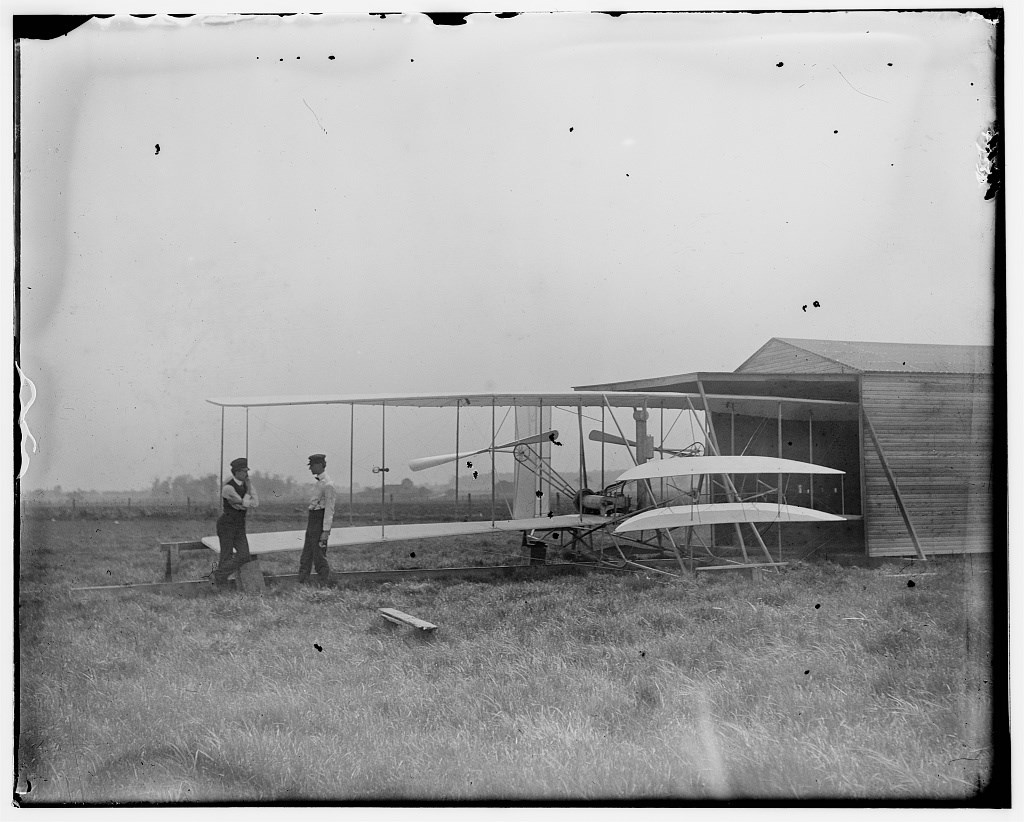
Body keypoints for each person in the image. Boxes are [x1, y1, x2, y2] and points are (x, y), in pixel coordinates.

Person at [212, 457, 259, 587]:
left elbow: (255, 503)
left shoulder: (247, 485)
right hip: (226, 524)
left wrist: (246, 496)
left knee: (244, 555)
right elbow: (244, 504)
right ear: (237, 472)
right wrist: (247, 496)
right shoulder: (228, 488)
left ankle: (219, 575)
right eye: (244, 471)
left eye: (247, 471)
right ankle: (221, 585)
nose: (246, 474)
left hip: (239, 525)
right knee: (226, 556)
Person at [299, 453, 335, 584]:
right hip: (312, 520)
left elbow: (329, 509)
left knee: (319, 555)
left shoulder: (328, 484)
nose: (310, 469)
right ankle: (302, 582)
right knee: (306, 554)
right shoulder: (319, 483)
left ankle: (324, 583)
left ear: (320, 465)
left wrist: (325, 531)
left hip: (319, 521)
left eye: (312, 465)